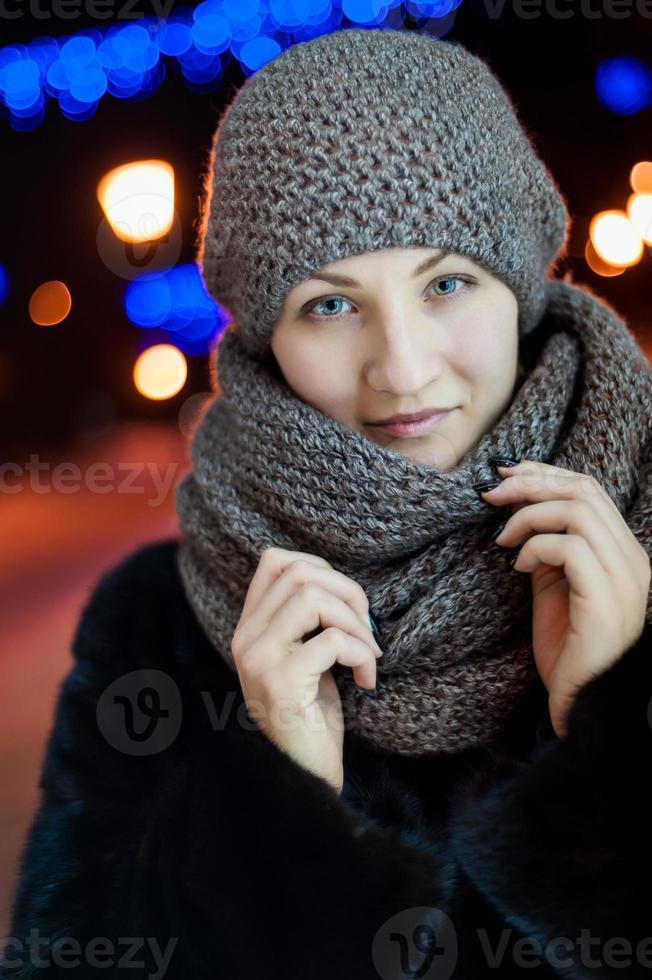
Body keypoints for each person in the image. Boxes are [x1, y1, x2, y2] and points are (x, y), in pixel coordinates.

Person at [4, 27, 652, 980]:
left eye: (447, 282)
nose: (402, 368)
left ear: (519, 284)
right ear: (267, 335)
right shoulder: (158, 627)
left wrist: (608, 729)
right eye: (331, 305)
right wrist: (290, 803)